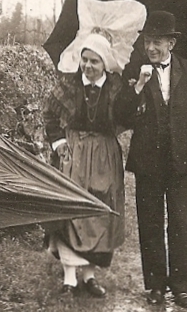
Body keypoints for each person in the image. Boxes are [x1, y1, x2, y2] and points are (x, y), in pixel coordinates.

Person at [115, 10, 187, 309]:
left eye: (157, 42)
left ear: (171, 43)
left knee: (181, 222)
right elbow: (122, 116)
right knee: (150, 223)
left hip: (182, 160)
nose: (151, 48)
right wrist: (139, 86)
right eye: (147, 42)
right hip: (148, 162)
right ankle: (155, 286)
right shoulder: (133, 71)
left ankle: (181, 287)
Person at [43, 32, 127, 298]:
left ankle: (89, 276)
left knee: (99, 213)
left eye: (95, 61)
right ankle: (69, 279)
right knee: (71, 211)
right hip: (73, 153)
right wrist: (58, 143)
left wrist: (136, 91)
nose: (88, 66)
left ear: (105, 64)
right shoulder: (67, 86)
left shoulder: (117, 88)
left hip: (104, 156)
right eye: (85, 60)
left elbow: (128, 117)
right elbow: (50, 115)